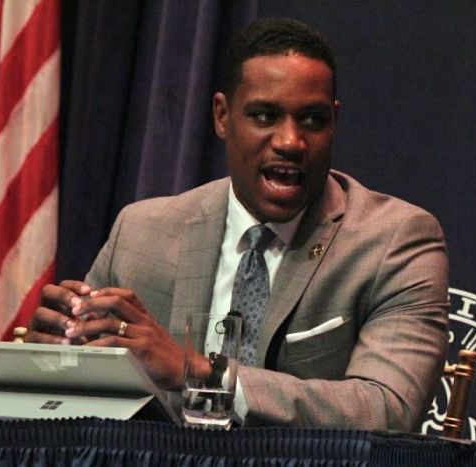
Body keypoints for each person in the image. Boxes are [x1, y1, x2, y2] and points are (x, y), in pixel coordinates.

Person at [29, 17, 449, 431]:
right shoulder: (141, 232)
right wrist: (55, 361)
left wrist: (199, 372)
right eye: (265, 116)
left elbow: (386, 409)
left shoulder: (394, 240)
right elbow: (85, 397)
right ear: (222, 116)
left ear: (334, 121)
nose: (290, 141)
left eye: (312, 120)